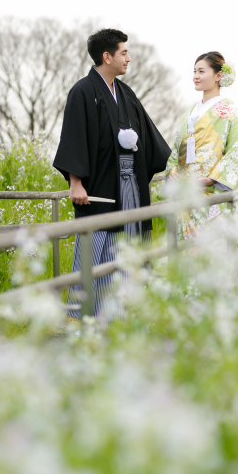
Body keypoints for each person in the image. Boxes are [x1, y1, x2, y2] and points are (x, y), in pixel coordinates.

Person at [53, 29, 171, 317]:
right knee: (100, 244)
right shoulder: (83, 91)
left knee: (132, 240)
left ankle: (129, 309)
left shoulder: (126, 93)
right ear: (107, 56)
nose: (128, 58)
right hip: (102, 185)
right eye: (124, 53)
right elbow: (74, 138)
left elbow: (148, 136)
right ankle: (91, 313)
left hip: (131, 183)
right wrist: (75, 183)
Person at [166, 51, 238, 238]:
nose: (195, 76)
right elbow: (176, 152)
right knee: (184, 249)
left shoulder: (230, 112)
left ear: (219, 75)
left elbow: (237, 152)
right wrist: (172, 172)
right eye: (194, 71)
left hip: (211, 191)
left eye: (201, 71)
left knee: (209, 249)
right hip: (185, 191)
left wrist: (210, 179)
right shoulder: (188, 113)